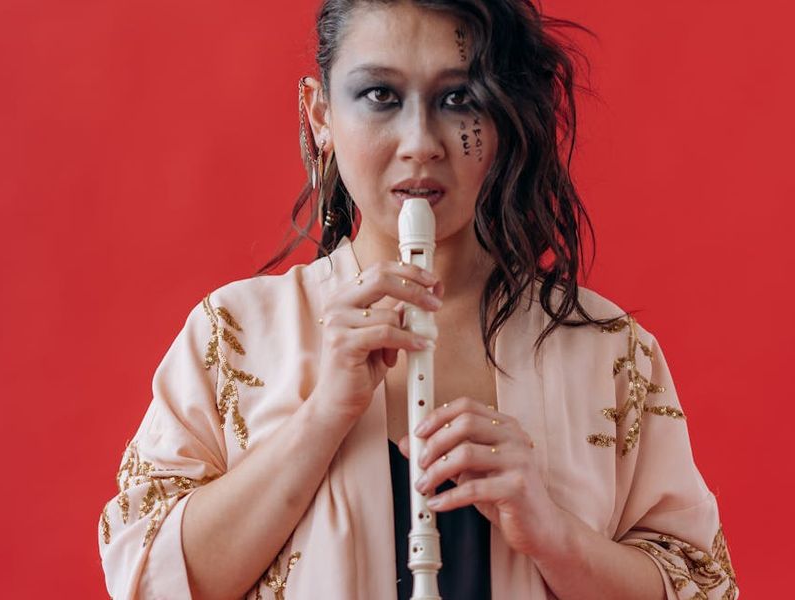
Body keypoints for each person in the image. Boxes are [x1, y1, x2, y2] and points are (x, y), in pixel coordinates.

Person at [97, 1, 739, 599]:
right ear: (320, 114)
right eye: (380, 95)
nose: (421, 144)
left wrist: (552, 533)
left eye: (459, 98)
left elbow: (704, 585)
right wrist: (323, 416)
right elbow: (146, 576)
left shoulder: (609, 350)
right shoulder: (233, 333)